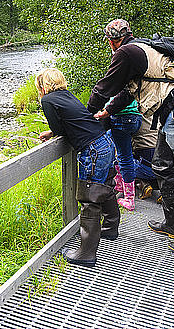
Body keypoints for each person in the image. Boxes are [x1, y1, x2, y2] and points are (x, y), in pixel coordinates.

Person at [87, 19, 174, 254]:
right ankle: (172, 224)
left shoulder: (125, 52)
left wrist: (85, 114)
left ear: (112, 40)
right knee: (162, 166)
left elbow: (105, 87)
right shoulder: (141, 48)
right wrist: (107, 111)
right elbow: (129, 92)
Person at [36, 68, 119, 267]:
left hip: (92, 149)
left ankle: (86, 253)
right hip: (105, 142)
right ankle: (110, 227)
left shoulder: (47, 100)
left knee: (90, 196)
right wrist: (52, 132)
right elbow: (73, 121)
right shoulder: (67, 95)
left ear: (42, 86)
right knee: (104, 186)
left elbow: (59, 129)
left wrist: (51, 132)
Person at [108, 99, 142, 211]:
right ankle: (119, 184)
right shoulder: (130, 81)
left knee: (124, 156)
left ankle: (129, 199)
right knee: (121, 150)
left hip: (121, 116)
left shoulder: (115, 81)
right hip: (136, 116)